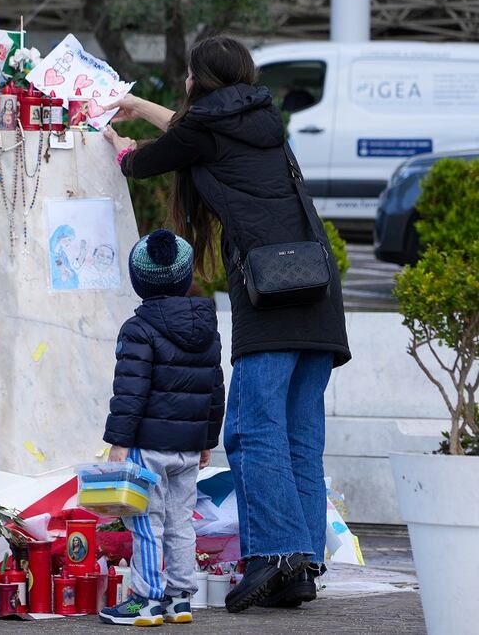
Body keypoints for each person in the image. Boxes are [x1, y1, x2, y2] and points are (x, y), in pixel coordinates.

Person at [102, 36, 350, 613]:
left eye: (189, 76)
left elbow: (144, 162)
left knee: (252, 429)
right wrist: (138, 107)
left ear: (201, 80)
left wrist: (119, 143)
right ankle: (300, 567)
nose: (185, 86)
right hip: (318, 291)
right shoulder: (262, 118)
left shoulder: (207, 128)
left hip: (271, 295)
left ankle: (272, 555)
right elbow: (192, 131)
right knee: (299, 436)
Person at [98, 229, 224, 627]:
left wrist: (119, 441)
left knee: (147, 522)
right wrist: (207, 441)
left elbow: (130, 391)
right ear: (184, 277)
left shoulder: (138, 329)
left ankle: (146, 599)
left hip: (148, 446)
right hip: (188, 447)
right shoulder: (207, 328)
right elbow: (215, 388)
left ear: (140, 282)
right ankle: (180, 599)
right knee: (181, 521)